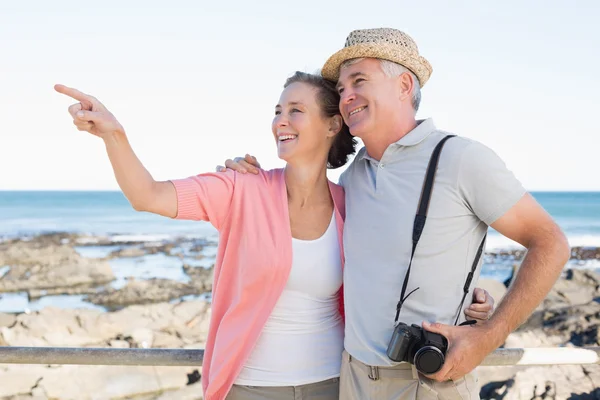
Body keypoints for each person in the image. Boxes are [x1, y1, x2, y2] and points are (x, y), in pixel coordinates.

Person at [55, 71, 493, 400]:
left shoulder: (352, 200)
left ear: (331, 125)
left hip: (334, 384)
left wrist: (470, 299)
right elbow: (147, 195)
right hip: (250, 387)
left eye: (295, 111)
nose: (280, 121)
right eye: (277, 111)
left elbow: (406, 260)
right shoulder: (240, 188)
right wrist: (114, 135)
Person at [220, 28, 571, 399]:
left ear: (404, 85)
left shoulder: (461, 159)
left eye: (359, 81)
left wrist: (488, 334)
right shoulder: (352, 177)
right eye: (341, 89)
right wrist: (247, 179)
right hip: (350, 378)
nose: (346, 97)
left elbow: (550, 242)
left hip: (430, 381)